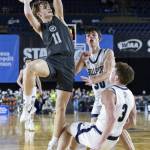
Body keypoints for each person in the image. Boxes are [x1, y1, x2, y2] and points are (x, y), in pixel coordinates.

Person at [18, 0, 74, 149]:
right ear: (39, 13)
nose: (48, 8)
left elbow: (57, 1)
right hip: (52, 62)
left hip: (68, 65)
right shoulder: (41, 28)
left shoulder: (59, 18)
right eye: (44, 7)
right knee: (30, 67)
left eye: (48, 6)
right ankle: (28, 106)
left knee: (60, 108)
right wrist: (26, 2)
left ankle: (55, 141)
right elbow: (29, 15)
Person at [75, 27, 135, 149]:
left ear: (99, 39)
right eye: (88, 35)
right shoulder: (85, 56)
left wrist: (93, 80)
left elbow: (108, 73)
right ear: (86, 39)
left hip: (112, 95)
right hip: (98, 98)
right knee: (96, 130)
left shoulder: (107, 52)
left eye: (93, 35)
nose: (90, 37)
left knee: (117, 127)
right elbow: (74, 72)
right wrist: (79, 59)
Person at [57, 62, 137, 150]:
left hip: (98, 136)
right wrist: (115, 128)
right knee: (78, 130)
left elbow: (112, 119)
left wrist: (99, 143)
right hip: (113, 139)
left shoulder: (109, 92)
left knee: (67, 129)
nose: (110, 72)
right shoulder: (131, 95)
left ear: (116, 78)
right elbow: (132, 122)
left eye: (112, 71)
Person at [17, 58, 42, 130]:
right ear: (25, 63)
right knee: (27, 104)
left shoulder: (35, 71)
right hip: (26, 90)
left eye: (30, 62)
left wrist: (40, 89)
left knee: (32, 104)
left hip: (33, 89)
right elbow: (18, 81)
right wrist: (22, 86)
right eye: (27, 62)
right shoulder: (22, 71)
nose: (28, 63)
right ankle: (26, 121)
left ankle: (31, 122)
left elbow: (38, 81)